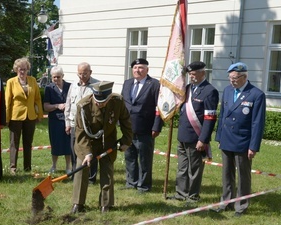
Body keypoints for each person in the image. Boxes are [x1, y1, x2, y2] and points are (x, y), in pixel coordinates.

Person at [71, 81, 133, 213]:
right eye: (97, 100)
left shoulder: (118, 101)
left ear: (110, 97)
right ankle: (78, 203)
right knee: (81, 170)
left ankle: (106, 204)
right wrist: (87, 153)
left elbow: (126, 121)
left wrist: (126, 141)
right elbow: (80, 132)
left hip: (108, 141)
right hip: (87, 142)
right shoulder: (83, 106)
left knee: (107, 171)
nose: (100, 103)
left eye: (103, 101)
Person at [213, 62, 266, 217]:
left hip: (243, 141)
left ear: (244, 77)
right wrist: (219, 137)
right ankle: (226, 202)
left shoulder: (256, 94)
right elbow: (222, 115)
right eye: (230, 78)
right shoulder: (228, 91)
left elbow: (257, 123)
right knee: (226, 174)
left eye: (235, 78)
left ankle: (241, 206)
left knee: (243, 176)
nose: (232, 81)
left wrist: (253, 146)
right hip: (227, 140)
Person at [168, 61, 219, 202]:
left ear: (203, 73)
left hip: (196, 137)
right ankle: (180, 193)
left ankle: (192, 196)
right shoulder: (188, 88)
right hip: (183, 135)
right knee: (182, 167)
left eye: (194, 74)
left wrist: (203, 139)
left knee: (194, 169)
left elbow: (210, 118)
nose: (191, 76)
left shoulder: (210, 91)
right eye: (190, 74)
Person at [120, 58, 164, 193]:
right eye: (135, 68)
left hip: (146, 128)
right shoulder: (127, 83)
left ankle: (144, 185)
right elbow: (123, 104)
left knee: (145, 158)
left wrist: (157, 126)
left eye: (140, 68)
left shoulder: (155, 84)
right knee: (129, 156)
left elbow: (160, 107)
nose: (137, 70)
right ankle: (131, 182)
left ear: (147, 70)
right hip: (128, 128)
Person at [5, 57, 43, 175]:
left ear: (28, 70)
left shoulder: (33, 81)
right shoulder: (11, 82)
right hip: (15, 117)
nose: (23, 72)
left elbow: (37, 98)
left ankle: (27, 167)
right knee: (14, 143)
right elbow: (8, 101)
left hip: (30, 116)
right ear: (16, 70)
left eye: (25, 69)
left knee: (28, 143)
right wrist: (6, 118)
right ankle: (13, 167)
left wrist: (39, 114)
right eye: (20, 69)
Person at [64, 62, 99, 184]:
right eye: (80, 74)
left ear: (90, 72)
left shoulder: (96, 85)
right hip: (74, 123)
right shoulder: (73, 85)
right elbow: (68, 104)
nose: (82, 76)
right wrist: (67, 123)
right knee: (75, 150)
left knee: (91, 149)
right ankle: (76, 174)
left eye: (85, 73)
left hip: (90, 125)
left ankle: (91, 177)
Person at [43, 66, 72, 175]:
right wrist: (57, 106)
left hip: (68, 119)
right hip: (54, 120)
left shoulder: (70, 86)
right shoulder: (49, 88)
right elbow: (45, 106)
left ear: (63, 76)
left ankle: (68, 167)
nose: (56, 79)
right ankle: (54, 165)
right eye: (54, 77)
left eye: (58, 77)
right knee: (55, 144)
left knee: (68, 144)